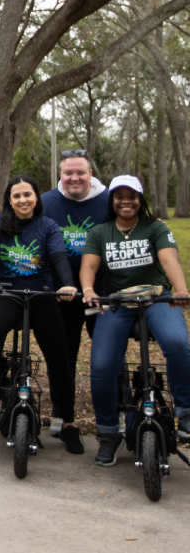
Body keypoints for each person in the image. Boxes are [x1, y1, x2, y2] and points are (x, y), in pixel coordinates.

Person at [80, 175, 190, 466]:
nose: (125, 201)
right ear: (111, 201)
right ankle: (108, 434)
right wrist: (89, 290)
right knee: (102, 364)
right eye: (119, 196)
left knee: (178, 343)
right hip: (117, 302)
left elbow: (169, 261)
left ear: (141, 200)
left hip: (156, 297)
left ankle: (185, 412)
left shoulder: (155, 228)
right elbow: (89, 266)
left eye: (132, 196)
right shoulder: (100, 232)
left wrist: (180, 290)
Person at [0, 175, 84, 455]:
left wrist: (67, 283)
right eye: (17, 195)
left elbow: (58, 257)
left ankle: (67, 423)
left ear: (37, 198)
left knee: (60, 357)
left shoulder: (47, 225)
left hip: (41, 296)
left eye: (28, 195)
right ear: (9, 199)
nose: (23, 200)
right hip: (7, 293)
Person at [39, 149, 108, 438]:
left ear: (91, 173)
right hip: (61, 295)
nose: (75, 178)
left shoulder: (109, 200)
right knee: (62, 356)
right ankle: (61, 414)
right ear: (60, 175)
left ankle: (115, 413)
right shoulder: (45, 202)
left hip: (103, 294)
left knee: (107, 356)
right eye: (68, 173)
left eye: (81, 172)